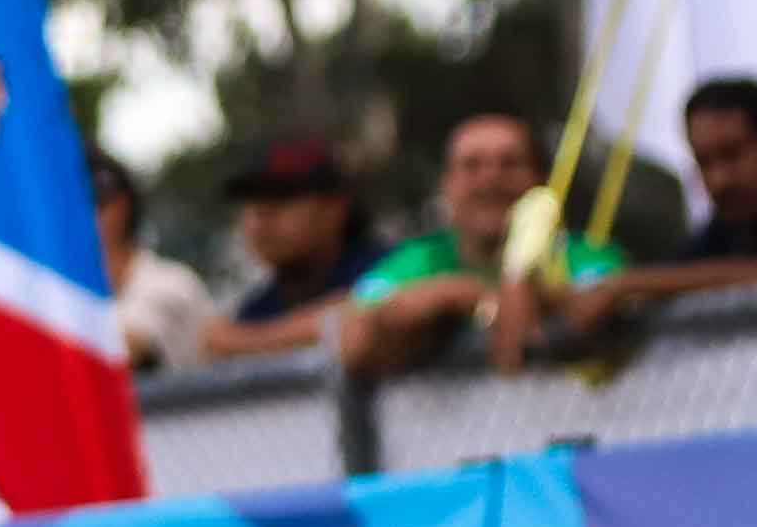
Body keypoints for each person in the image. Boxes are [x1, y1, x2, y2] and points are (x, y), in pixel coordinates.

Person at [525, 76, 757, 345]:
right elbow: (673, 274)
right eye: (703, 162)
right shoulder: (728, 227)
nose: (718, 180)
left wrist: (623, 287)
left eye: (732, 155)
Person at [339, 112, 627, 377]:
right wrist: (460, 295)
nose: (490, 179)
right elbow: (355, 332)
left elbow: (606, 301)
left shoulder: (585, 255)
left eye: (510, 163)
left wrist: (480, 300)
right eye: (471, 165)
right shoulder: (419, 258)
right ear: (446, 184)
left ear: (541, 180)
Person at [190, 133, 380, 359]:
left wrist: (240, 340)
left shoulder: (397, 265)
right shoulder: (258, 309)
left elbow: (382, 309)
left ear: (335, 208)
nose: (260, 215)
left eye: (281, 197)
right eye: (250, 200)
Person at [89, 152, 221, 371]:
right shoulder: (64, 295)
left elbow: (123, 351)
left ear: (122, 207)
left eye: (95, 204)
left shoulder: (171, 283)